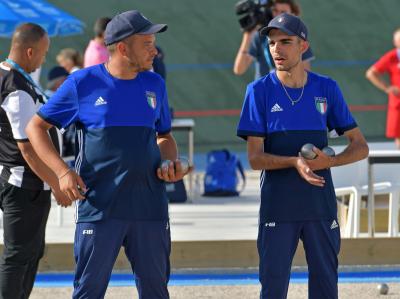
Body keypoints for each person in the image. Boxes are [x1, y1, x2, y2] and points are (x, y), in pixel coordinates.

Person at [26, 10, 192, 299]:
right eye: (147, 44)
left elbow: (164, 135)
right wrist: (62, 173)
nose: (155, 51)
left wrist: (169, 162)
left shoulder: (155, 85)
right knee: (89, 292)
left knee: (156, 291)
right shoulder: (82, 83)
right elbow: (36, 127)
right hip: (99, 208)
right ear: (124, 48)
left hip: (150, 207)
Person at [237, 14, 369, 299]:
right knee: (272, 289)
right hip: (278, 207)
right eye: (272, 43)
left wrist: (330, 162)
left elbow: (360, 146)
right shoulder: (258, 91)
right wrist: (294, 162)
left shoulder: (326, 88)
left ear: (303, 46)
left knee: (325, 288)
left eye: (286, 42)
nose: (277, 49)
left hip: (320, 207)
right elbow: (255, 158)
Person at [0, 23, 70, 299]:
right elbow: (28, 149)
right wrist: (56, 184)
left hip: (22, 180)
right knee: (19, 255)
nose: (44, 59)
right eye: (42, 53)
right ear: (29, 52)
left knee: (31, 251)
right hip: (24, 184)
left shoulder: (10, 74)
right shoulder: (16, 88)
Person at [233, 0, 314, 79]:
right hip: (263, 91)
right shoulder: (260, 35)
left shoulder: (298, 39)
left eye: (283, 12)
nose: (278, 15)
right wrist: (248, 35)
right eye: (275, 10)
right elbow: (239, 70)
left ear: (293, 14)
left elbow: (304, 74)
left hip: (287, 91)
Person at [366, 28, 400, 149]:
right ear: (395, 42)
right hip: (398, 103)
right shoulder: (392, 57)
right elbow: (371, 73)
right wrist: (387, 88)